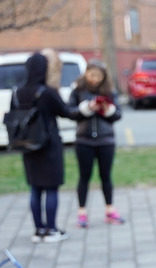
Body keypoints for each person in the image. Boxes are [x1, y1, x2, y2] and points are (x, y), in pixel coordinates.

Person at [12, 53, 76, 243]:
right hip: (49, 147)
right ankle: (52, 230)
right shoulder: (47, 92)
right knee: (51, 188)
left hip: (27, 145)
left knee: (35, 189)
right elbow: (66, 112)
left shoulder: (17, 92)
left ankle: (38, 230)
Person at [68, 60, 125, 228]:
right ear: (86, 73)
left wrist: (107, 109)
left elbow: (119, 115)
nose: (95, 79)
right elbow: (69, 112)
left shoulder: (110, 91)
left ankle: (109, 210)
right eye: (92, 75)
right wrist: (86, 108)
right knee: (84, 177)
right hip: (84, 140)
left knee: (106, 176)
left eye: (99, 76)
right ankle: (82, 212)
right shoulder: (78, 90)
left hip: (106, 139)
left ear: (104, 76)